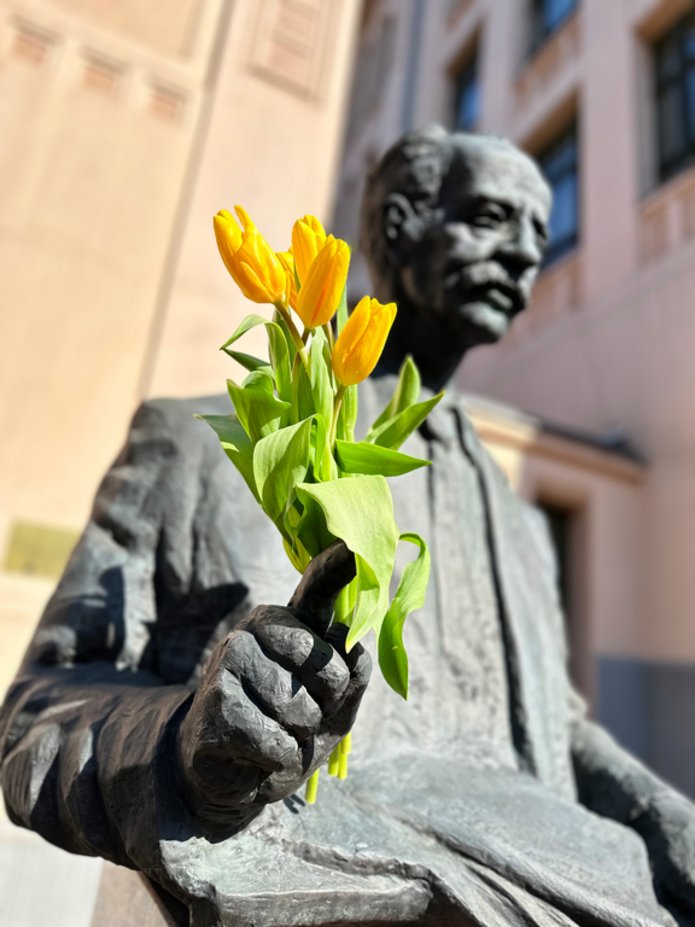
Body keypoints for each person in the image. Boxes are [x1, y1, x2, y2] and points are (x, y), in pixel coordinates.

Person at [1, 126, 694, 927]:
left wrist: (660, 814)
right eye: (491, 218)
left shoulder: (519, 525)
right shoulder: (195, 444)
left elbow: (556, 730)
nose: (523, 254)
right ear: (397, 225)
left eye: (539, 233)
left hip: (552, 876)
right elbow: (37, 714)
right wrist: (185, 745)